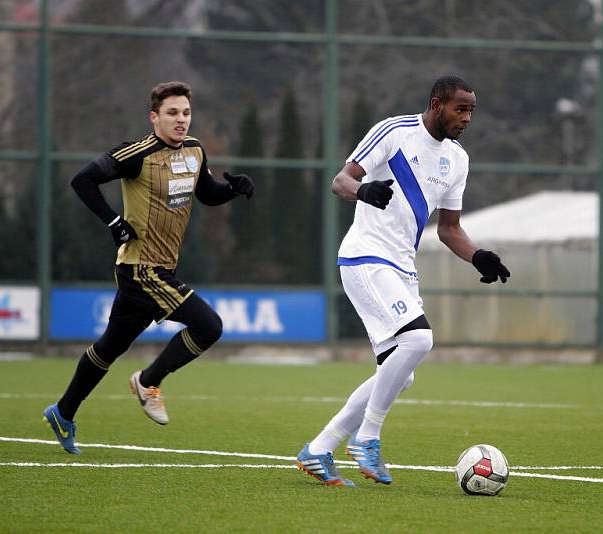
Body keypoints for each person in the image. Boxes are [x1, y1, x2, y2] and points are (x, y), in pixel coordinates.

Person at [296, 75, 510, 486]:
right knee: (418, 340)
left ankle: (319, 448)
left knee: (401, 371)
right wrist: (363, 191)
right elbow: (340, 181)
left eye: (471, 111)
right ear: (436, 104)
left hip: (401, 266)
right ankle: (367, 438)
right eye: (459, 109)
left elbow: (449, 229)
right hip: (364, 256)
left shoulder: (458, 160)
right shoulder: (394, 132)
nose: (466, 118)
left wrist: (478, 256)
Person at [43, 81, 254, 455]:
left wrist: (233, 189)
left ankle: (62, 412)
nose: (181, 120)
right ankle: (148, 381)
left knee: (109, 348)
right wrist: (112, 221)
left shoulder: (194, 150)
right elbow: (83, 180)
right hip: (142, 269)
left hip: (158, 268)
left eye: (186, 113)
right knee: (209, 326)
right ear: (154, 117)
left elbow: (206, 194)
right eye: (172, 113)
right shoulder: (136, 153)